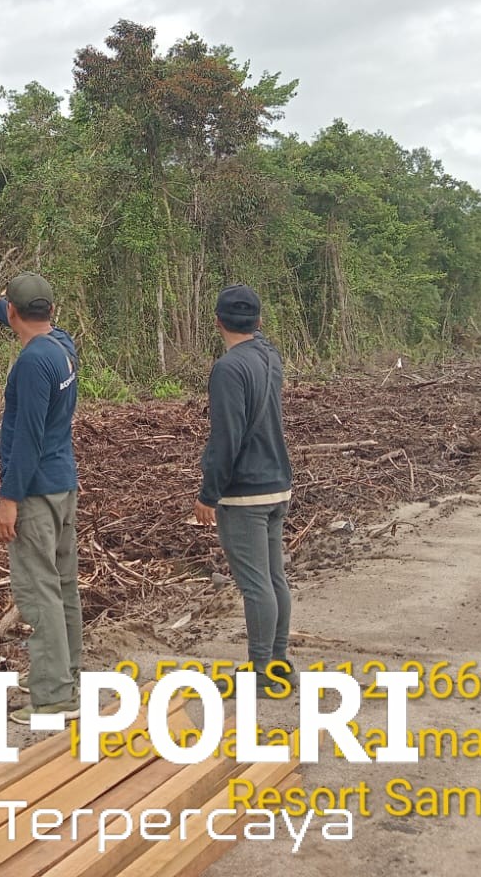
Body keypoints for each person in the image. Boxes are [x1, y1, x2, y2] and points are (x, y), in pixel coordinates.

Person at [0, 273, 83, 724]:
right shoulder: (61, 345)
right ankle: (68, 675)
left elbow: (28, 439)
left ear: (17, 313)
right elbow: (24, 318)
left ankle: (55, 697)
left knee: (40, 593)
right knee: (64, 585)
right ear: (49, 311)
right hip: (62, 485)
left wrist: (8, 499)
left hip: (35, 491)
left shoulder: (34, 363)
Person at [193, 284, 294, 695]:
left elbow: (226, 438)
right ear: (260, 321)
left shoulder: (228, 369)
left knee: (256, 585)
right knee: (274, 578)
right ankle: (278, 661)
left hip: (245, 492)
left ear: (217, 321)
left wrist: (208, 493)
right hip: (276, 484)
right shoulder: (269, 356)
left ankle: (259, 671)